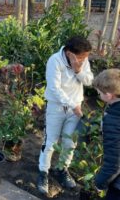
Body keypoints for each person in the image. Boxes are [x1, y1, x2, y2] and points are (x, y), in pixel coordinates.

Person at [37, 36, 93, 195]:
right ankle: (43, 172)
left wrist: (78, 70)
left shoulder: (83, 61)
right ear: (69, 53)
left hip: (75, 109)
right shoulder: (54, 61)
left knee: (70, 143)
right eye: (81, 57)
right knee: (50, 141)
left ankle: (62, 169)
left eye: (86, 57)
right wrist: (72, 104)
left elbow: (89, 81)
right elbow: (54, 88)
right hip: (56, 107)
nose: (84, 60)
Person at [92, 69, 120, 200]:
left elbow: (114, 162)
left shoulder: (113, 119)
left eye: (99, 92)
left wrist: (100, 183)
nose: (98, 94)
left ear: (109, 95)